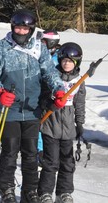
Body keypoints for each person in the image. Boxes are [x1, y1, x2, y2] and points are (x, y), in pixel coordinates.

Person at [0, 9, 66, 203]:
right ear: (12, 27)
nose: (20, 32)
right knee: (10, 151)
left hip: (32, 109)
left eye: (24, 28)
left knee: (30, 153)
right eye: (17, 28)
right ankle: (7, 190)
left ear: (31, 29)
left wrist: (59, 89)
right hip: (8, 110)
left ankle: (30, 191)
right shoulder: (1, 48)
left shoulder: (39, 48)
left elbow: (50, 73)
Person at [37, 42, 86, 203]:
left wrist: (79, 123)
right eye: (64, 61)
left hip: (68, 127)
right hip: (51, 124)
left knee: (67, 161)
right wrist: (49, 102)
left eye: (70, 61)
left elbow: (79, 104)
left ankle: (63, 192)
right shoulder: (52, 77)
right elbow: (42, 96)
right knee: (50, 162)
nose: (66, 64)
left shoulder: (79, 81)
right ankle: (45, 192)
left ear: (76, 63)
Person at [38, 30, 61, 163]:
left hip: (53, 96)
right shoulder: (39, 53)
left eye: (43, 41)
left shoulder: (58, 58)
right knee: (39, 123)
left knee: (49, 123)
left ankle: (49, 151)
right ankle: (40, 151)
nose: (39, 43)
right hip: (40, 94)